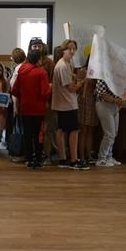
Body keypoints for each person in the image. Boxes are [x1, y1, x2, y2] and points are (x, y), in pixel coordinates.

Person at [11, 49, 52, 168]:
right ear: (39, 59)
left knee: (27, 135)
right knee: (38, 135)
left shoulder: (22, 70)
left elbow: (14, 90)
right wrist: (50, 88)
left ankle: (29, 159)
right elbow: (45, 93)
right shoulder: (42, 72)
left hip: (25, 108)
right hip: (39, 109)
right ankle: (38, 160)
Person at [51, 40, 87, 170]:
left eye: (74, 49)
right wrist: (82, 82)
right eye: (69, 48)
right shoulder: (62, 66)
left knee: (61, 130)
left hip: (64, 103)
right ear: (63, 50)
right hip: (67, 103)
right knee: (73, 131)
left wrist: (75, 77)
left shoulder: (66, 63)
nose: (72, 51)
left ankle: (63, 158)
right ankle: (73, 160)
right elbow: (71, 88)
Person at [94, 76, 126, 167]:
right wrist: (116, 101)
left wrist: (121, 99)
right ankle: (101, 158)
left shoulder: (116, 76)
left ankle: (109, 156)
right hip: (104, 105)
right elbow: (102, 94)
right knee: (109, 134)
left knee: (114, 133)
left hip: (114, 106)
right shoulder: (102, 77)